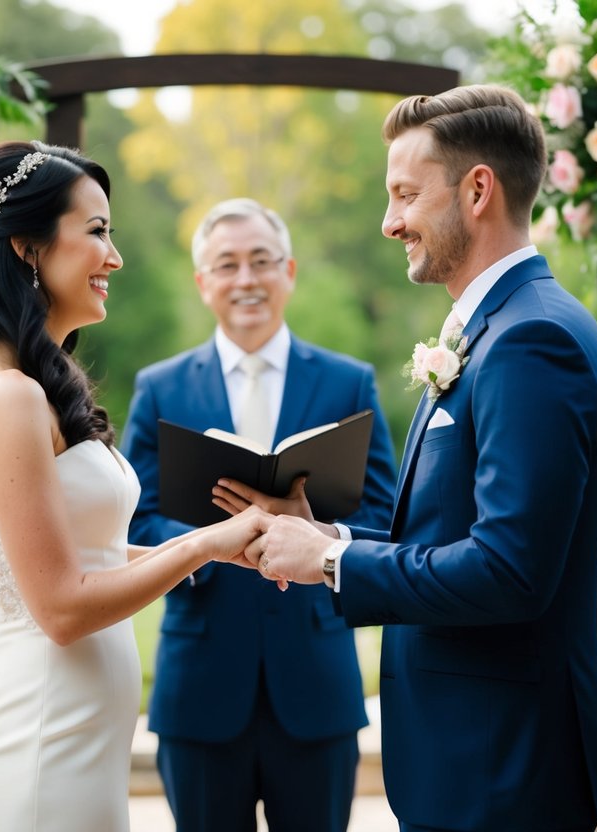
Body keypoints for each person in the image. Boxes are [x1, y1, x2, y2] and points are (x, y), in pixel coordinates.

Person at [223, 85, 597, 831]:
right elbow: (453, 537)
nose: (388, 222)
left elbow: (509, 572)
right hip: (467, 760)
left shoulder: (533, 341)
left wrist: (334, 566)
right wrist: (331, 538)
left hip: (504, 768)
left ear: (476, 190)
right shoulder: (497, 330)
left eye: (405, 194)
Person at [0, 141, 266, 831]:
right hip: (39, 746)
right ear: (28, 249)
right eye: (96, 232)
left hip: (77, 746)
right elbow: (61, 607)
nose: (114, 258)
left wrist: (217, 548)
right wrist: (203, 546)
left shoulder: (35, 387)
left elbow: (81, 559)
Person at [121, 198, 397, 832]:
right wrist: (211, 545)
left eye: (261, 262)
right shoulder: (161, 387)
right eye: (227, 265)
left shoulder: (347, 381)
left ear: (290, 271)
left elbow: (384, 512)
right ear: (203, 283)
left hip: (316, 686)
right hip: (200, 687)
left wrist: (320, 536)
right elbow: (135, 521)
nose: (246, 280)